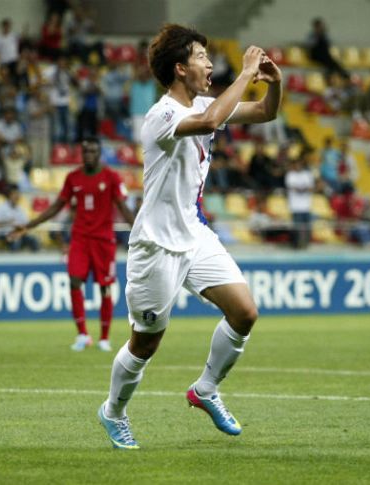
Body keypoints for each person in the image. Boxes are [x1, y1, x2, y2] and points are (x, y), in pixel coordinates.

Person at [96, 24, 282, 449]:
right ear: (180, 68)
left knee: (245, 312)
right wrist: (245, 71)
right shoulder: (162, 114)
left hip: (194, 234)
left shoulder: (200, 101)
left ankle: (205, 389)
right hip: (157, 245)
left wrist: (277, 83)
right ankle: (113, 411)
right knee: (146, 344)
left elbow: (265, 113)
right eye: (201, 56)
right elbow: (212, 120)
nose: (209, 63)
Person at [9, 137, 135, 352]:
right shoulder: (73, 178)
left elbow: (123, 207)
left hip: (103, 240)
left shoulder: (111, 177)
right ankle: (82, 334)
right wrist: (28, 226)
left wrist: (141, 231)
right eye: (85, 151)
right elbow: (56, 206)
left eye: (93, 151)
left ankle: (104, 337)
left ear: (99, 154)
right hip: (80, 239)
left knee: (105, 288)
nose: (89, 155)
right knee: (74, 281)